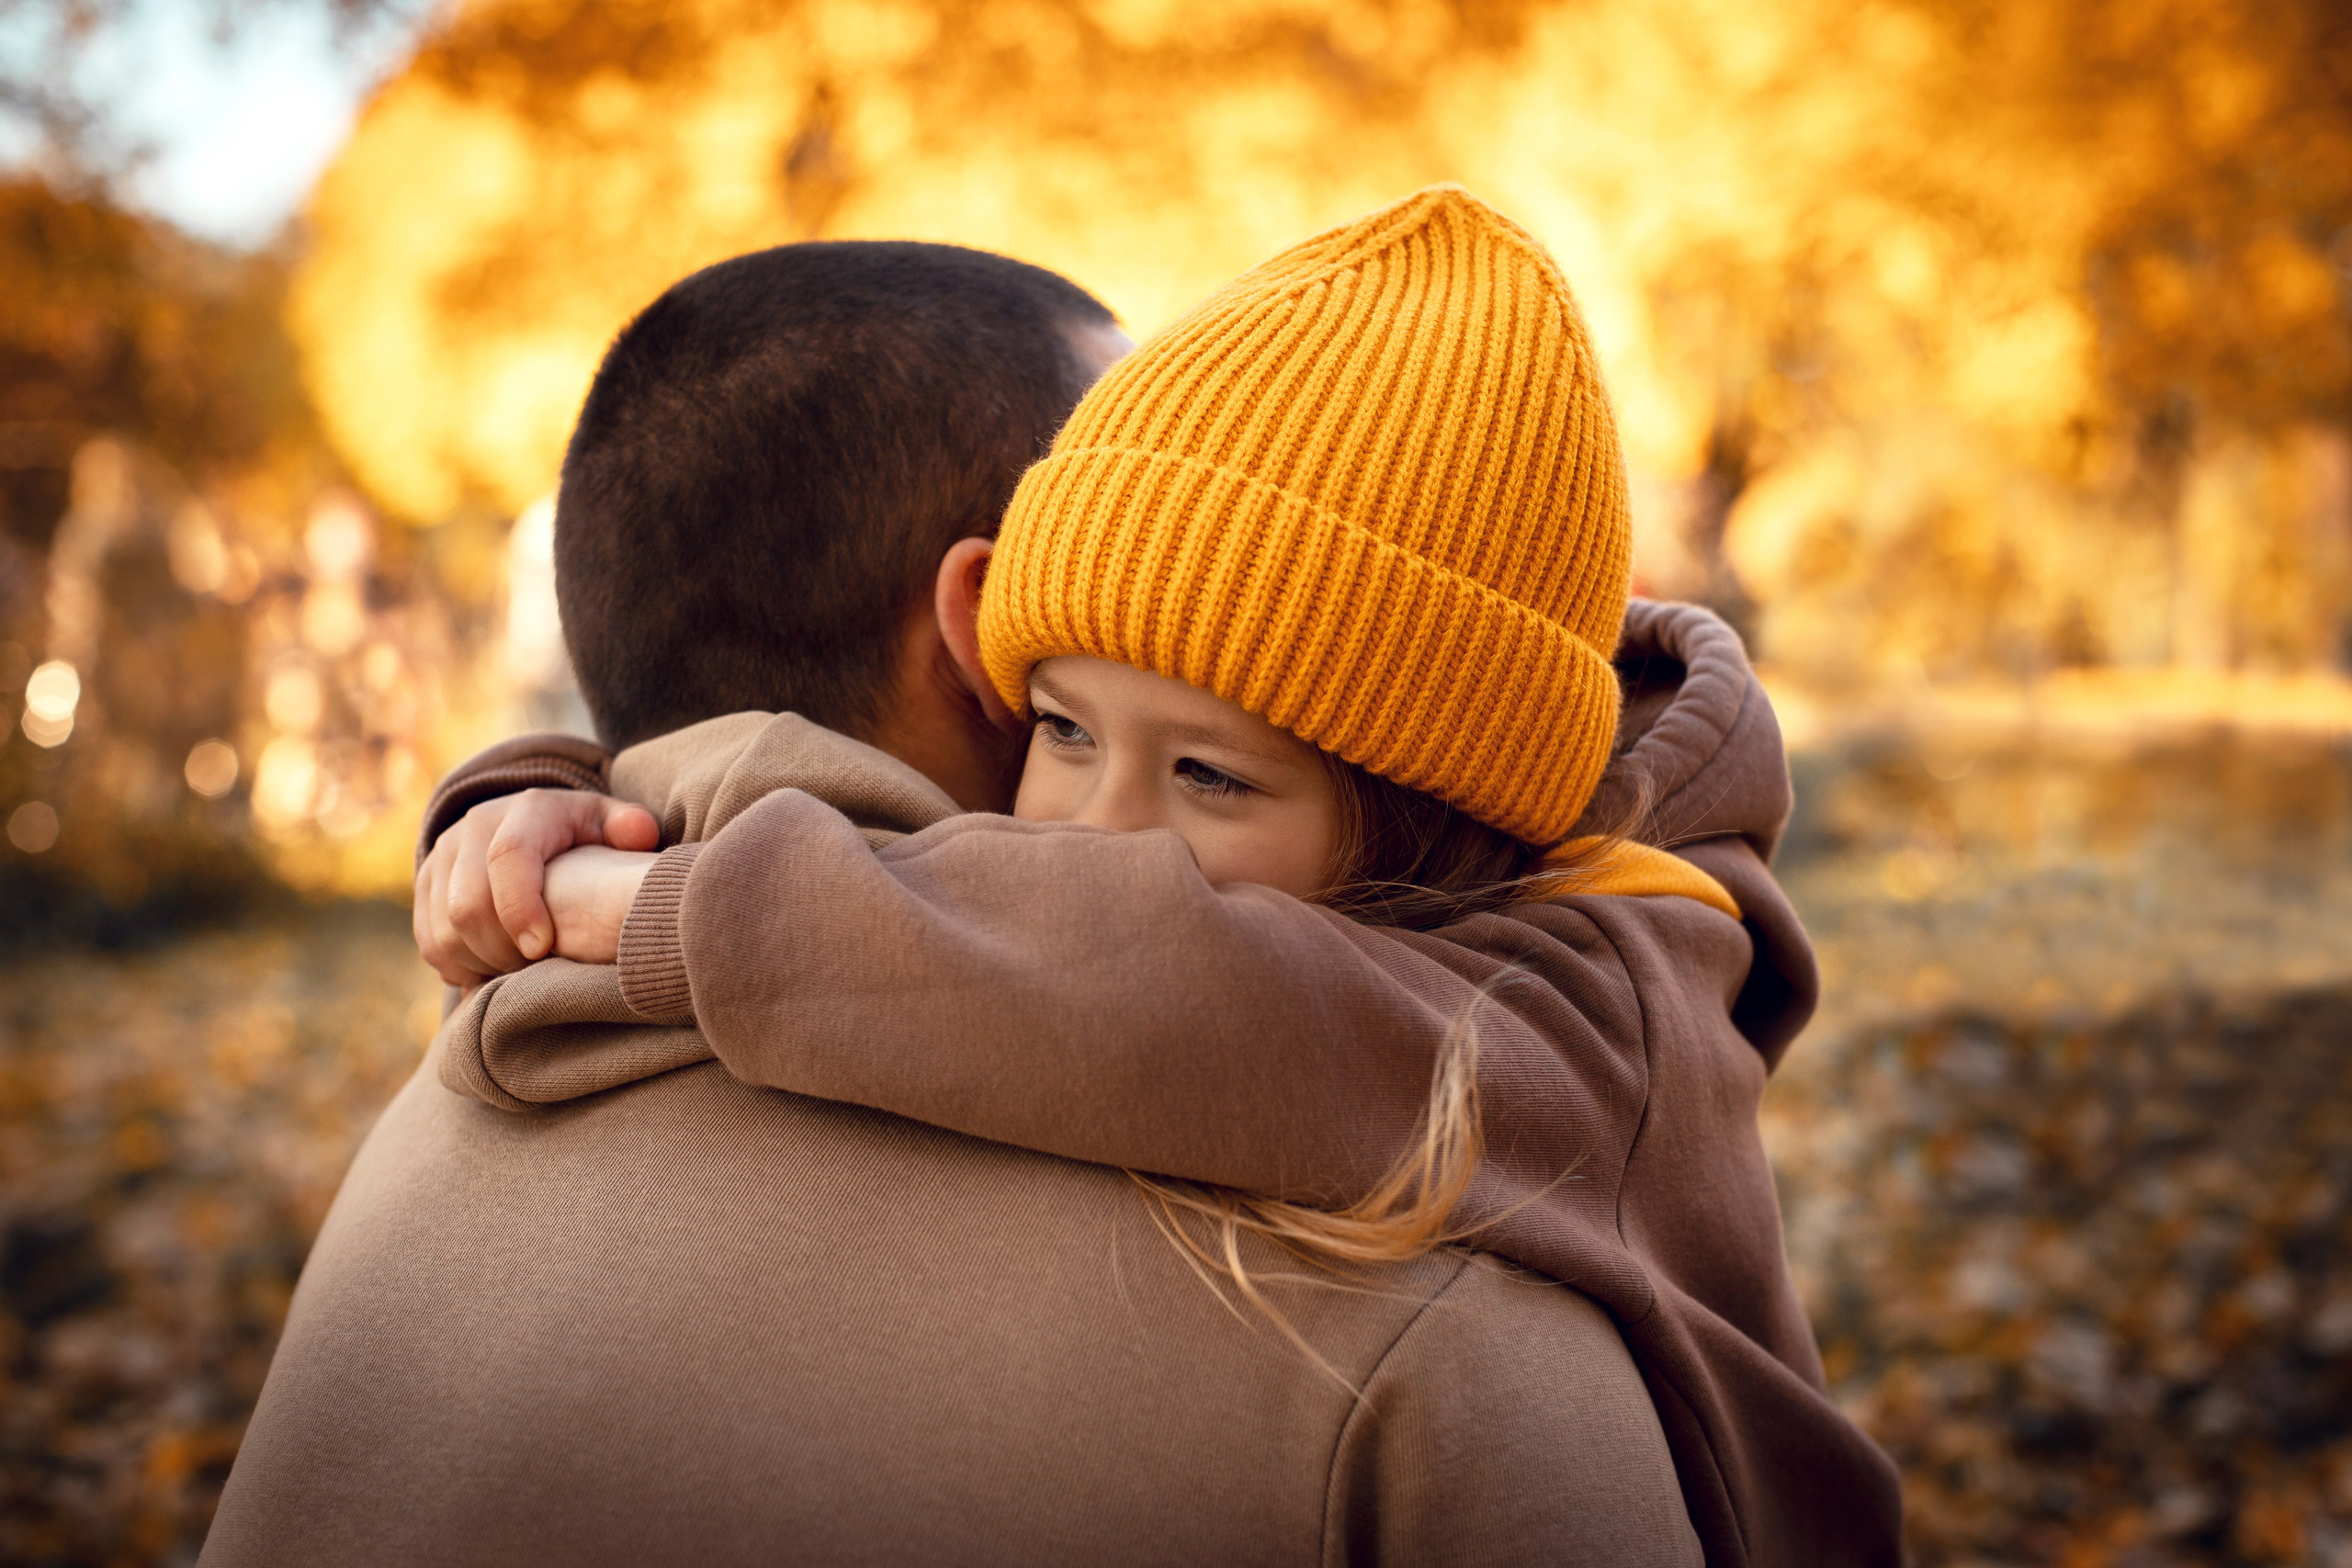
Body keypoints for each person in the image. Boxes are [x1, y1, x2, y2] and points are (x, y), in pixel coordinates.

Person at [414, 188, 1904, 1565]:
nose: (1085, 844)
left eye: (1211, 773)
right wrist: (540, 799)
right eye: (1059, 726)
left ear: (1426, 827)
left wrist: (680, 905)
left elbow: (1186, 986)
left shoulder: (1567, 1024)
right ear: (983, 647)